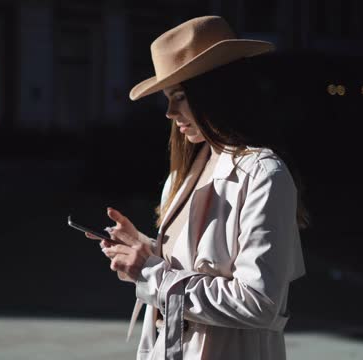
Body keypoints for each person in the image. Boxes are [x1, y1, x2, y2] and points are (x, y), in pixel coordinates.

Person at [84, 15, 308, 360]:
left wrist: (149, 271)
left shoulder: (263, 173)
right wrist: (141, 249)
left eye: (180, 96)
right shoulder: (186, 171)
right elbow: (190, 268)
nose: (170, 112)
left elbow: (259, 303)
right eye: (167, 98)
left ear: (216, 91)